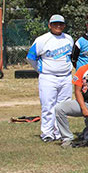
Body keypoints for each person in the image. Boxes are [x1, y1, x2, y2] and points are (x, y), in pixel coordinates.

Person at [26, 14, 74, 142]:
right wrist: (40, 70)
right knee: (48, 106)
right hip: (48, 77)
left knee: (63, 106)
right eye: (55, 24)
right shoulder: (42, 39)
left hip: (66, 77)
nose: (58, 26)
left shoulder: (68, 39)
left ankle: (60, 132)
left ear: (64, 25)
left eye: (61, 24)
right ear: (49, 25)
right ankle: (47, 133)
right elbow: (30, 57)